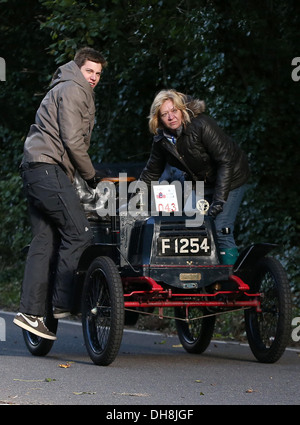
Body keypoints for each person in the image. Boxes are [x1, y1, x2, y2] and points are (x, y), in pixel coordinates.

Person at [13, 47, 107, 340]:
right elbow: (71, 139)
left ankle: (31, 313)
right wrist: (92, 176)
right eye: (89, 71)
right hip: (47, 170)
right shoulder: (73, 89)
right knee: (79, 233)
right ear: (78, 68)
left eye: (98, 74)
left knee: (44, 241)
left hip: (34, 169)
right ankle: (60, 304)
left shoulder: (63, 86)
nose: (93, 77)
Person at [139, 89, 250, 265]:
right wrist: (132, 201)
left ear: (182, 109)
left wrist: (219, 201)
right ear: (158, 119)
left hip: (231, 178)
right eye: (165, 114)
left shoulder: (201, 125)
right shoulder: (162, 140)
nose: (171, 117)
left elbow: (225, 162)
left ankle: (231, 282)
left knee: (221, 229)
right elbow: (151, 172)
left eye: (174, 111)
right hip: (200, 183)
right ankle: (199, 280)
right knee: (191, 228)